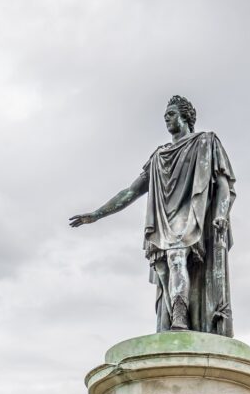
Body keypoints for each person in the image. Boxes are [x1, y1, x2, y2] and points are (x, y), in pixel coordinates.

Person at [69, 95, 236, 335]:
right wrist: (96, 214)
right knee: (163, 271)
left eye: (171, 114)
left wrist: (221, 214)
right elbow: (131, 191)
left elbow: (222, 184)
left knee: (177, 258)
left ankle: (180, 319)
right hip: (161, 220)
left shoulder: (206, 142)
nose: (166, 119)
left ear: (186, 116)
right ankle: (173, 321)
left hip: (189, 217)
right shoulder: (159, 156)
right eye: (165, 115)